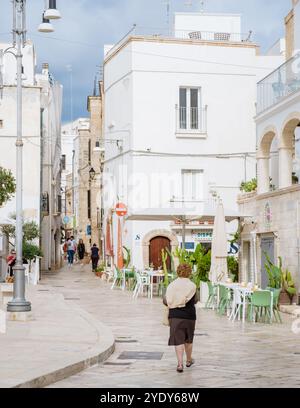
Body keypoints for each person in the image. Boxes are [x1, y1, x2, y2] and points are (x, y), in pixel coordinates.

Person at [164, 263, 198, 373]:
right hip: (189, 316)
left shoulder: (171, 285)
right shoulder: (192, 285)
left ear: (178, 271)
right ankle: (188, 360)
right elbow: (196, 300)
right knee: (188, 339)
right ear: (189, 272)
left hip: (175, 316)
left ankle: (179, 364)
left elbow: (166, 300)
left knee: (178, 340)